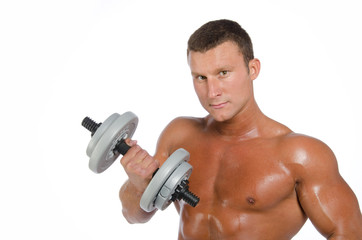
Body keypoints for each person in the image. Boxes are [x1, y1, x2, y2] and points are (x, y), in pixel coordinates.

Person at [119, 19, 362, 239]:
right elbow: (134, 215)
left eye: (223, 73)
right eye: (200, 77)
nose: (212, 92)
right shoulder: (179, 134)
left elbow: (348, 232)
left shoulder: (299, 154)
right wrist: (137, 182)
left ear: (253, 69)